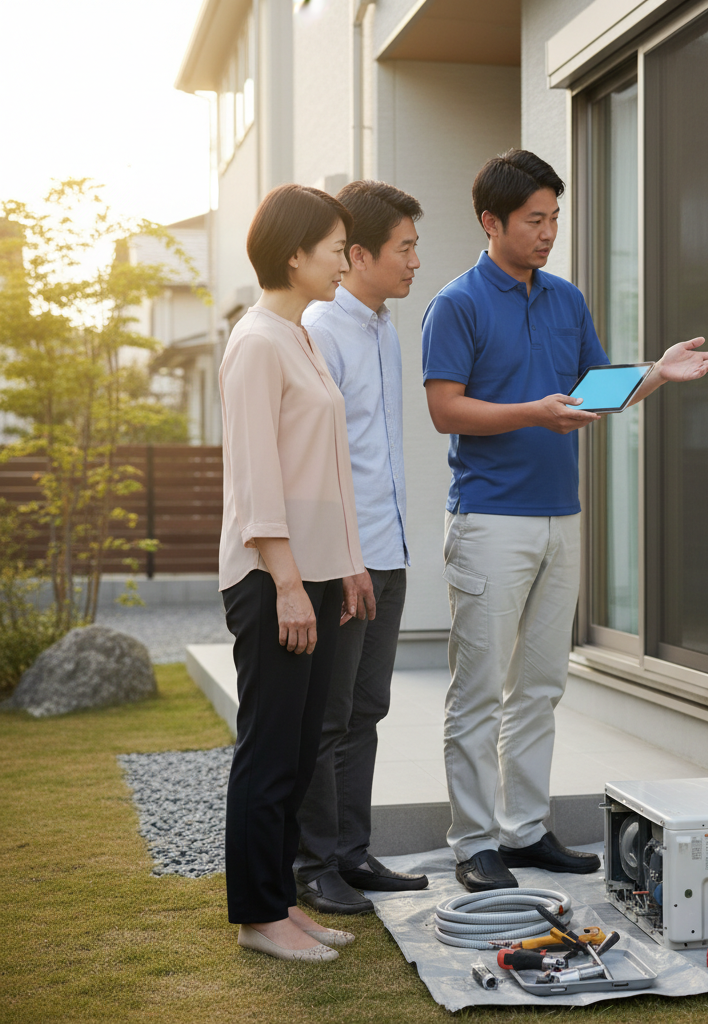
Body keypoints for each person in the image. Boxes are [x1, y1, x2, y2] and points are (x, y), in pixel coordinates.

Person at [421, 149, 708, 892]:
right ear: (491, 222)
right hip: (489, 520)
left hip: (563, 517)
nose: (549, 231)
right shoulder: (456, 303)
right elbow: (443, 409)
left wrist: (656, 373)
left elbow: (597, 392)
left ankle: (523, 831)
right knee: (478, 688)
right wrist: (532, 411)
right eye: (535, 219)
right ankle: (473, 843)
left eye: (555, 217)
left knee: (540, 684)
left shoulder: (566, 300)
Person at [219, 183, 375, 961]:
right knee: (271, 749)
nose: (344, 260)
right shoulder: (255, 342)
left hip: (312, 574)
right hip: (269, 579)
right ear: (293, 254)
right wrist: (285, 583)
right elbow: (257, 481)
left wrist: (345, 567)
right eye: (335, 246)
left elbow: (327, 471)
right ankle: (257, 915)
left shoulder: (300, 338)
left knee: (303, 747)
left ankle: (281, 902)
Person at [294, 180, 429, 914]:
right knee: (330, 715)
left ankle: (351, 852)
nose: (415, 260)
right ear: (359, 254)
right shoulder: (320, 329)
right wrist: (347, 561)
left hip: (389, 548)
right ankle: (314, 863)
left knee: (368, 708)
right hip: (345, 558)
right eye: (405, 247)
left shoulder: (384, 327)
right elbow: (321, 462)